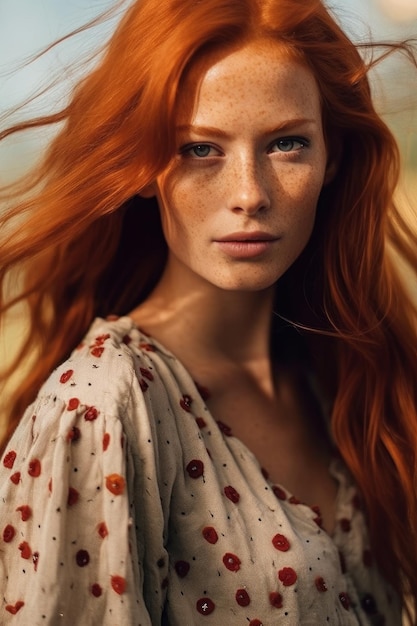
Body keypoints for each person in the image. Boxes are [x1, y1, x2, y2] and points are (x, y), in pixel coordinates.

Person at [0, 0, 416, 623]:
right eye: (200, 149)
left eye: (286, 143)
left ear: (332, 157)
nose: (249, 194)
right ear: (142, 166)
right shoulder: (100, 406)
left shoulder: (342, 372)